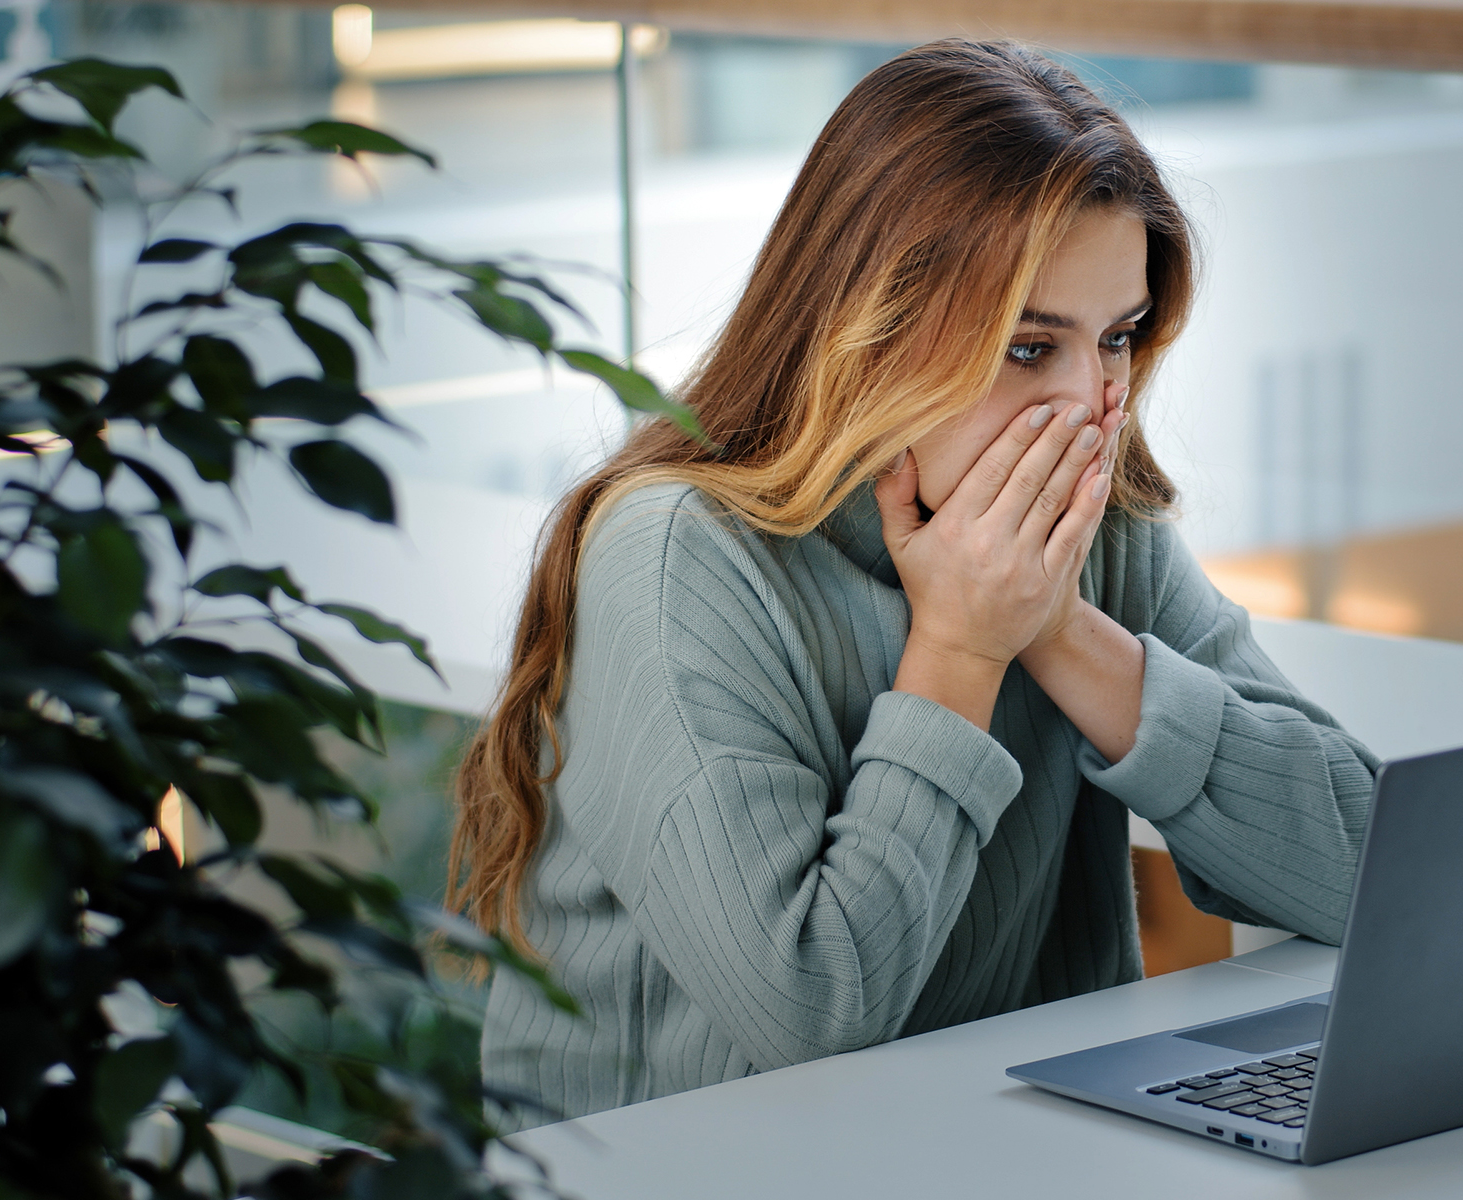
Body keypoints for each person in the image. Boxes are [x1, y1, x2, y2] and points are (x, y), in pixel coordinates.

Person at [449, 38, 1376, 1127]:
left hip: (1006, 1158)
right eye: (1031, 349)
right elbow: (810, 1012)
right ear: (870, 333)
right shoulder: (676, 559)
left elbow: (1368, 874)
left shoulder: (1090, 528)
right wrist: (961, 651)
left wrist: (1058, 629)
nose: (1093, 406)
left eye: (1117, 339)